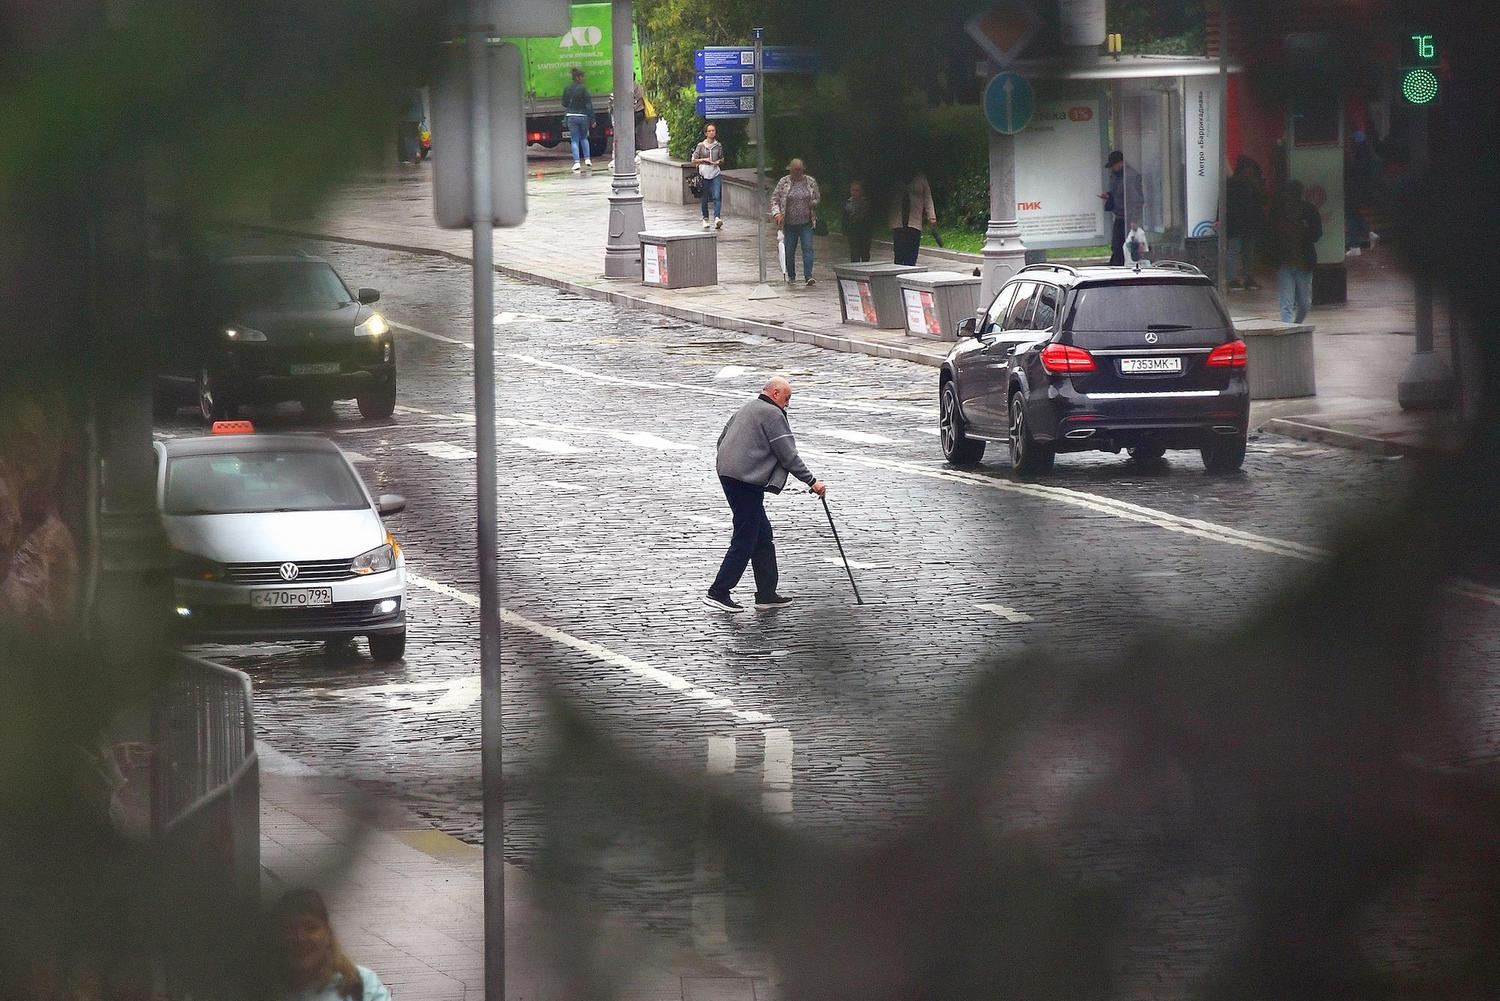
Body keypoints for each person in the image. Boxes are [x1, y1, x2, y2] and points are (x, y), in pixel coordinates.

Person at [707, 377, 826, 613]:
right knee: (746, 536)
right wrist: (812, 482)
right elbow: (788, 455)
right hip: (745, 481)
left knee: (762, 535)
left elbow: (721, 439)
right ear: (774, 393)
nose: (788, 404)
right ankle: (718, 592)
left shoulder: (747, 407)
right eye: (787, 398)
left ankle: (766, 593)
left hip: (730, 474)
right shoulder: (773, 415)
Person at [270, 889, 391, 1001]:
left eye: (311, 928)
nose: (300, 938)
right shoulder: (265, 988)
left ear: (328, 933)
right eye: (291, 929)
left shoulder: (362, 984)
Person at [1271, 179, 1322, 323]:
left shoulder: (1310, 211)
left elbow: (1317, 233)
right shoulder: (1279, 211)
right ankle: (1288, 329)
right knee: (1286, 303)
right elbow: (1269, 233)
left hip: (1303, 262)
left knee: (1304, 304)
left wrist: (1304, 230)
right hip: (1285, 262)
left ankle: (1295, 326)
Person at [771, 159, 821, 286]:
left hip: (806, 222)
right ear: (790, 170)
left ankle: (808, 276)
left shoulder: (810, 182)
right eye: (794, 170)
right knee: (789, 250)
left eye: (799, 170)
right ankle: (791, 275)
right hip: (789, 223)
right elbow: (775, 199)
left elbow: (817, 198)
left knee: (808, 248)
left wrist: (813, 203)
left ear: (803, 169)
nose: (797, 172)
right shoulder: (784, 182)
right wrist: (777, 213)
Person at [1225, 155, 1266, 290]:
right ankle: (1237, 279)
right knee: (1240, 251)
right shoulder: (1243, 185)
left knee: (1240, 251)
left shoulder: (1235, 184)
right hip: (1242, 224)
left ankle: (1239, 278)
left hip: (1240, 224)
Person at [1100, 151, 1144, 266]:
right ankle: (1116, 266)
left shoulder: (1131, 176)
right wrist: (1109, 195)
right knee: (1117, 247)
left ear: (1120, 163)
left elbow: (1137, 199)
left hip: (1128, 218)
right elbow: (1119, 193)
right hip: (1120, 216)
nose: (1112, 168)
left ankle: (1120, 267)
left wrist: (1134, 219)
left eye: (1113, 165)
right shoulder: (1117, 176)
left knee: (1125, 248)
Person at [889, 173, 936, 266]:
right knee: (899, 255)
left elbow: (928, 198)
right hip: (898, 224)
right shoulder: (896, 177)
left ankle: (909, 274)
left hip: (914, 223)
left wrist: (931, 216)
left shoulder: (921, 178)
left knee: (911, 256)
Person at [691, 123, 724, 230]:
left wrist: (718, 162)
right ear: (706, 133)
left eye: (713, 131)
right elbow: (693, 159)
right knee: (704, 197)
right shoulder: (701, 146)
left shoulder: (718, 145)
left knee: (716, 196)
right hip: (704, 173)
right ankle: (705, 218)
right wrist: (704, 160)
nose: (711, 133)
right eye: (709, 131)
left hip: (715, 173)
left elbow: (722, 158)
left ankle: (717, 217)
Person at [562, 67, 593, 172]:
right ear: (578, 77)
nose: (583, 78)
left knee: (574, 140)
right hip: (583, 116)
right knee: (584, 138)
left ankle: (576, 162)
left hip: (571, 116)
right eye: (582, 77)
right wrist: (592, 119)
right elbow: (589, 105)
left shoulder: (567, 89)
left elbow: (564, 103)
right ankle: (588, 159)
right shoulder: (584, 89)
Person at [843, 181, 873, 263]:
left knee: (865, 253)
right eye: (853, 190)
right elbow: (845, 218)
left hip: (864, 232)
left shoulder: (866, 203)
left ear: (861, 191)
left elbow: (869, 218)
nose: (854, 192)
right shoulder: (848, 203)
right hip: (853, 231)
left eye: (857, 190)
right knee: (854, 253)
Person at [396, 89, 423, 166]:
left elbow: (403, 105)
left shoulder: (404, 91)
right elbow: (421, 103)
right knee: (415, 135)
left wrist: (398, 115)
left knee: (407, 136)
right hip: (417, 117)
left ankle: (412, 155)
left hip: (406, 117)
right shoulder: (417, 90)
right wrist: (421, 116)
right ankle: (417, 152)